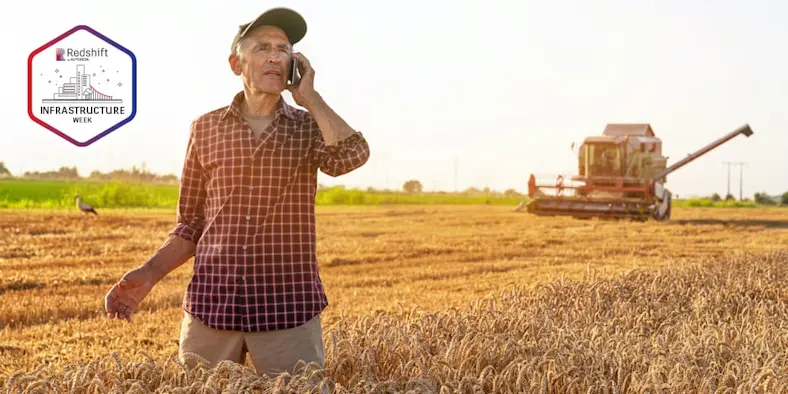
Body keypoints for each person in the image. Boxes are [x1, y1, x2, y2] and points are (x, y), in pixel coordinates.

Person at [103, 7, 370, 376]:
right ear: (236, 63)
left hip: (286, 309)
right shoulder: (205, 129)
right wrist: (147, 274)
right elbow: (191, 225)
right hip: (211, 309)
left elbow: (352, 155)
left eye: (283, 48)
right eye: (262, 47)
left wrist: (309, 97)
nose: (275, 55)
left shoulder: (310, 127)